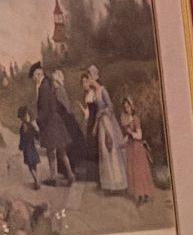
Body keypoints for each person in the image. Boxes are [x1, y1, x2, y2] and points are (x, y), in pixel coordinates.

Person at [31, 64, 80, 186]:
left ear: (39, 74)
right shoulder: (48, 84)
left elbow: (44, 109)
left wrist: (36, 121)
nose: (34, 79)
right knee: (62, 151)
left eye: (35, 76)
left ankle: (53, 177)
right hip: (56, 121)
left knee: (50, 150)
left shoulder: (43, 87)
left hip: (50, 123)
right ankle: (70, 175)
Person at [83, 64, 128, 194]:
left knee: (111, 150)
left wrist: (102, 113)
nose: (89, 80)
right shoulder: (94, 93)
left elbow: (110, 107)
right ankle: (108, 184)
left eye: (90, 78)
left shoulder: (103, 90)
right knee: (104, 151)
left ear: (95, 78)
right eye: (89, 78)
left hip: (108, 123)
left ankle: (117, 182)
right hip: (101, 124)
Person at [119, 101, 155, 205]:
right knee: (132, 171)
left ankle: (144, 194)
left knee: (140, 171)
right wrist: (121, 143)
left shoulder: (136, 119)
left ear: (132, 107)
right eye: (125, 107)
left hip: (137, 148)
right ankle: (138, 194)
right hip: (130, 148)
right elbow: (127, 136)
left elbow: (139, 136)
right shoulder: (126, 120)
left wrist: (130, 132)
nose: (127, 109)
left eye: (128, 107)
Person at [15, 102, 41, 186]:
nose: (27, 116)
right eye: (26, 115)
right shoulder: (30, 126)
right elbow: (37, 136)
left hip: (27, 149)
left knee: (31, 166)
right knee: (34, 165)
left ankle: (36, 180)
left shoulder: (23, 128)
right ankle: (36, 180)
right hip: (32, 148)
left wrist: (21, 147)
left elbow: (22, 140)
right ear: (23, 117)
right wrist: (37, 131)